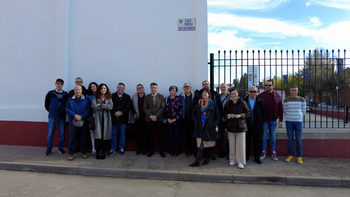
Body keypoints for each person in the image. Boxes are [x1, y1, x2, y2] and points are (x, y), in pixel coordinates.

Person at [190, 88, 220, 167]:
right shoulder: (199, 103)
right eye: (203, 93)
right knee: (200, 144)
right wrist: (195, 122)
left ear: (209, 95)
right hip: (200, 127)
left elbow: (218, 116)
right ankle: (198, 160)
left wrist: (213, 124)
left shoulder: (213, 104)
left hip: (209, 127)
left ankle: (206, 159)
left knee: (208, 144)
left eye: (206, 93)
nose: (204, 95)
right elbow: (193, 114)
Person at [223, 88, 250, 169]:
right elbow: (224, 114)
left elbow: (248, 113)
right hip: (231, 127)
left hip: (240, 127)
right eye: (232, 94)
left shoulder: (242, 103)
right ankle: (232, 160)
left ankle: (240, 161)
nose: (233, 95)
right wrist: (229, 116)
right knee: (231, 145)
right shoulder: (228, 103)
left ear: (237, 94)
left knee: (240, 145)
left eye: (235, 93)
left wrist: (241, 115)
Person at [258, 80, 283, 161]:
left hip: (273, 120)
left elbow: (280, 108)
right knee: (264, 136)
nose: (267, 86)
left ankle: (273, 152)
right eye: (266, 85)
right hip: (264, 120)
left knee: (272, 136)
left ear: (273, 86)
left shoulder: (277, 96)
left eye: (269, 85)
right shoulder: (261, 95)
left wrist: (280, 120)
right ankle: (263, 151)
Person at [65, 85, 91, 161]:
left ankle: (83, 152)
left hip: (83, 121)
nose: (77, 91)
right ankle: (71, 153)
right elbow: (66, 109)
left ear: (81, 91)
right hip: (73, 122)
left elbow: (88, 110)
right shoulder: (70, 100)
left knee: (84, 137)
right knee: (72, 138)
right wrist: (74, 115)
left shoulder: (86, 99)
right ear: (74, 91)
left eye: (79, 90)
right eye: (76, 90)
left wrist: (81, 116)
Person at [44, 78, 68, 156]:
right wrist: (52, 111)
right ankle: (49, 148)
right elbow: (46, 104)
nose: (59, 85)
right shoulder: (50, 93)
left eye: (61, 83)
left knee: (62, 133)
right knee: (50, 133)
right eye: (58, 83)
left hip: (62, 116)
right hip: (52, 116)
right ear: (55, 84)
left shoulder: (65, 94)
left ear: (63, 85)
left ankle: (60, 148)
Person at [283, 85, 306, 164]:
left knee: (299, 139)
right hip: (289, 121)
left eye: (295, 90)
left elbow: (304, 110)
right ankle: (291, 155)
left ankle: (299, 156)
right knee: (290, 139)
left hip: (298, 121)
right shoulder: (286, 100)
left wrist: (299, 116)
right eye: (292, 90)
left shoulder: (301, 99)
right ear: (290, 91)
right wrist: (289, 116)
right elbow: (285, 110)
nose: (293, 92)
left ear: (297, 91)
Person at [243, 86, 266, 164]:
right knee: (247, 142)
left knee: (257, 142)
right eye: (251, 91)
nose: (253, 93)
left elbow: (264, 112)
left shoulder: (260, 101)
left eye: (254, 92)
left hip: (257, 125)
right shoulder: (244, 100)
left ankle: (257, 157)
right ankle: (246, 157)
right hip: (247, 124)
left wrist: (261, 121)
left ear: (257, 92)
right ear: (248, 92)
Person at [143, 82, 166, 157]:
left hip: (158, 119)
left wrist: (156, 116)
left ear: (157, 88)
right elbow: (145, 108)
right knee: (150, 136)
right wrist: (151, 116)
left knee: (160, 136)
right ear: (150, 88)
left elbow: (162, 107)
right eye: (152, 87)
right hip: (149, 120)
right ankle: (151, 151)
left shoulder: (161, 96)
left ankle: (161, 151)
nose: (153, 89)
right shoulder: (147, 97)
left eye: (155, 87)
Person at [92, 83, 113, 160]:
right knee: (98, 135)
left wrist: (100, 105)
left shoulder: (109, 97)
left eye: (104, 88)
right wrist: (105, 107)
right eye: (101, 88)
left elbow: (111, 107)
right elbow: (93, 105)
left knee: (105, 135)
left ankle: (103, 152)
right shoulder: (96, 96)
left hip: (106, 118)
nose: (103, 90)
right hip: (98, 118)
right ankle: (98, 152)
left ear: (106, 89)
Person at [109, 83, 132, 156]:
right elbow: (109, 105)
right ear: (117, 88)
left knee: (122, 134)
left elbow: (129, 107)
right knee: (113, 134)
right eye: (119, 87)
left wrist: (121, 112)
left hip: (123, 119)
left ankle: (121, 148)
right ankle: (113, 148)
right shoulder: (111, 96)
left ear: (124, 89)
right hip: (114, 118)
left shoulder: (127, 97)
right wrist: (114, 112)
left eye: (122, 88)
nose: (120, 89)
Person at [164, 85, 183, 156]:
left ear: (176, 91)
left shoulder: (179, 99)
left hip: (177, 122)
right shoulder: (166, 99)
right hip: (168, 122)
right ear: (169, 91)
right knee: (170, 136)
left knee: (176, 136)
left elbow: (181, 110)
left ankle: (176, 151)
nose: (173, 91)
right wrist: (168, 119)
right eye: (171, 90)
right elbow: (164, 111)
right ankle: (171, 150)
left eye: (174, 90)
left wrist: (175, 119)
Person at [179, 82, 195, 157]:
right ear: (183, 88)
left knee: (194, 135)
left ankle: (194, 151)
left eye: (188, 86)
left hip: (194, 119)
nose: (187, 88)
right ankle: (188, 151)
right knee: (186, 136)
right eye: (185, 87)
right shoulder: (181, 96)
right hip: (185, 119)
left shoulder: (195, 96)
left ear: (190, 88)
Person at [132, 84, 148, 155]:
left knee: (145, 135)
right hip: (138, 118)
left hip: (146, 118)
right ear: (136, 90)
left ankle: (145, 149)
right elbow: (131, 106)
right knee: (138, 134)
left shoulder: (147, 96)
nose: (139, 89)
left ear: (143, 89)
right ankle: (139, 148)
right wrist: (134, 113)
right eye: (138, 88)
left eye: (141, 88)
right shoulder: (134, 97)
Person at [215, 83, 230, 158]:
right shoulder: (218, 96)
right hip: (221, 119)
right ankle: (223, 151)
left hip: (230, 119)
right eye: (222, 87)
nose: (223, 88)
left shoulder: (231, 96)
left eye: (224, 87)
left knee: (231, 136)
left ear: (227, 88)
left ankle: (231, 153)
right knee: (222, 136)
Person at [86, 82, 98, 154]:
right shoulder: (88, 96)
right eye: (91, 87)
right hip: (91, 116)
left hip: (100, 115)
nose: (93, 88)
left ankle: (99, 147)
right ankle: (93, 148)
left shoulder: (100, 94)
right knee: (92, 133)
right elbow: (87, 106)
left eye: (94, 86)